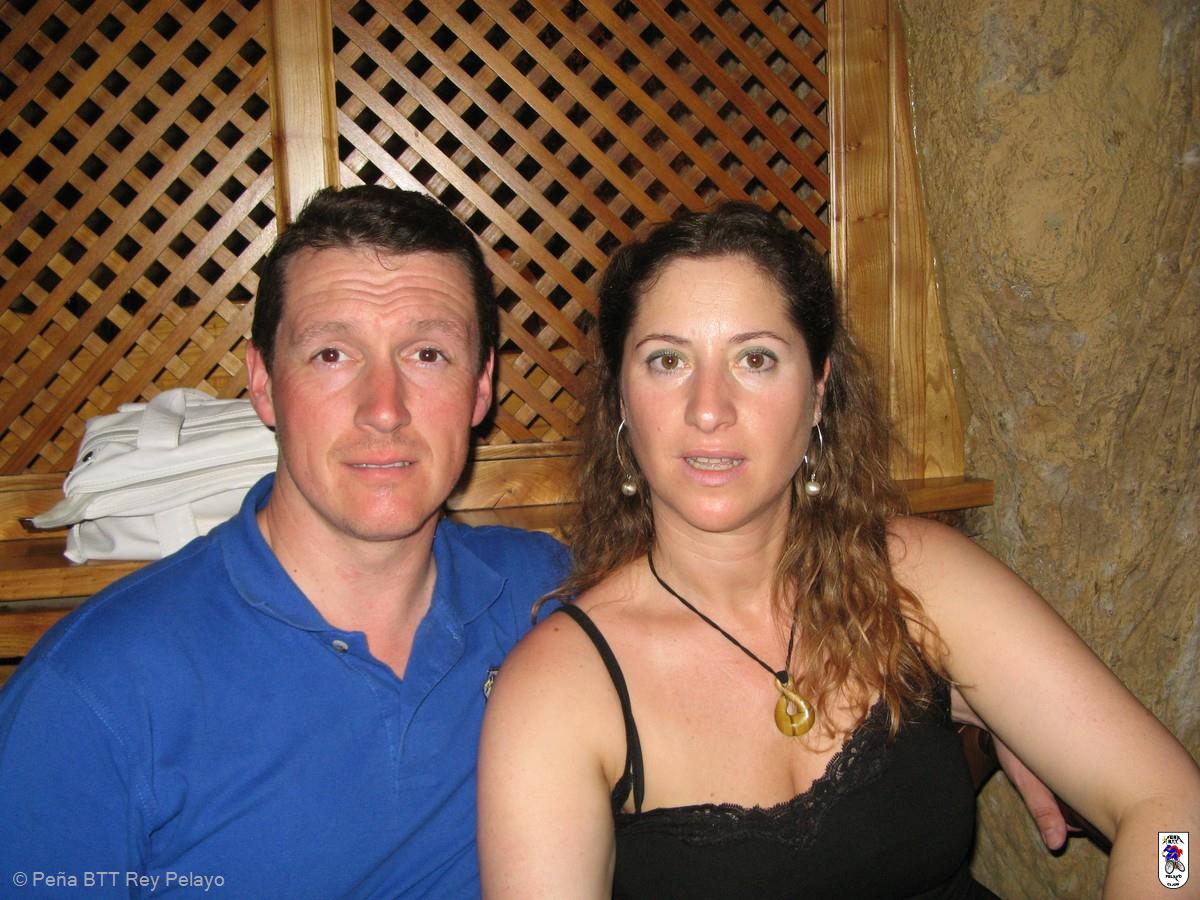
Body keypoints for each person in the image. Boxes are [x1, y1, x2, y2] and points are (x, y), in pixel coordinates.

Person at [477, 202, 1200, 898]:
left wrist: (1172, 876)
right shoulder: (561, 689)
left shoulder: (919, 577)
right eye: (667, 361)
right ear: (621, 400)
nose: (709, 409)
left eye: (755, 359)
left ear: (818, 391)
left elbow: (1175, 816)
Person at [0, 186, 567, 897]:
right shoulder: (91, 693)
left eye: (428, 354)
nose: (384, 409)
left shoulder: (544, 595)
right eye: (332, 354)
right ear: (264, 383)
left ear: (481, 387)